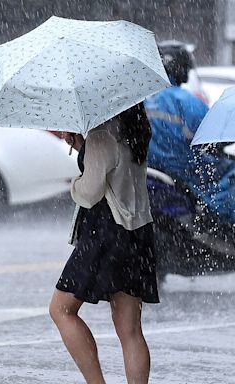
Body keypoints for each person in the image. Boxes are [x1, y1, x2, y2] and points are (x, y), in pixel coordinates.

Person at [49, 103, 159, 384]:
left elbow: (89, 193)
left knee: (61, 310)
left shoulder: (102, 133)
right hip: (138, 232)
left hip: (107, 233)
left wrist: (75, 181)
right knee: (130, 330)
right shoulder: (137, 128)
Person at [144, 43, 235, 226]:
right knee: (231, 170)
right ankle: (228, 225)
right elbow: (212, 134)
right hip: (183, 167)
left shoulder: (144, 98)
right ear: (181, 68)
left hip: (150, 168)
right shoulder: (185, 100)